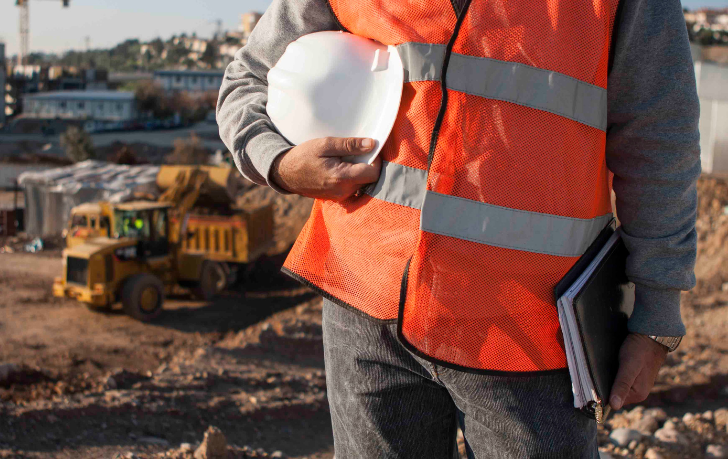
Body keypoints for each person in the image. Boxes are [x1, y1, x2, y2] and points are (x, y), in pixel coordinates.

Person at [217, 0, 700, 457]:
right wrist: (278, 163)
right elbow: (250, 80)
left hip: (532, 334)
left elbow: (658, 139)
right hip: (365, 308)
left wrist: (657, 310)